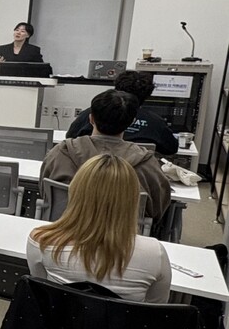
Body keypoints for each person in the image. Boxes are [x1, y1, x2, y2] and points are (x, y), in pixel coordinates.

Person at [27, 154, 171, 303]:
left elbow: (41, 295)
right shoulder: (155, 254)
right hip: (123, 326)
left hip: (60, 325)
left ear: (75, 191)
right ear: (133, 200)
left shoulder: (41, 241)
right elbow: (155, 310)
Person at [42, 90, 170, 223]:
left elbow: (45, 192)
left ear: (91, 118)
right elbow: (157, 208)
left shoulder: (60, 153)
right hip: (122, 239)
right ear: (131, 122)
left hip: (65, 233)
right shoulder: (147, 164)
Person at [65, 70, 178, 155]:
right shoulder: (156, 122)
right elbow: (171, 149)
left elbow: (70, 138)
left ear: (92, 119)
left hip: (88, 176)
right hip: (133, 181)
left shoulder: (94, 112)